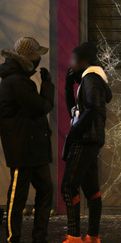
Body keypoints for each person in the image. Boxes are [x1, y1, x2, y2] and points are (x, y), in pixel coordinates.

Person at [0, 37, 54, 243]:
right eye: (37, 56)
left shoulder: (19, 80)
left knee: (42, 191)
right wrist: (48, 87)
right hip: (23, 149)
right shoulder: (16, 82)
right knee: (18, 196)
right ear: (28, 59)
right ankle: (14, 238)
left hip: (32, 148)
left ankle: (38, 236)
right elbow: (41, 106)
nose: (40, 59)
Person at [61, 42, 112, 243]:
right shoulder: (90, 79)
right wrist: (68, 87)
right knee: (91, 189)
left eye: (73, 60)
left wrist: (75, 131)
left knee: (68, 186)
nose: (71, 64)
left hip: (85, 140)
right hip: (90, 139)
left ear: (84, 61)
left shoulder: (91, 79)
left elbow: (93, 108)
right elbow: (75, 111)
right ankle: (93, 236)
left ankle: (74, 236)